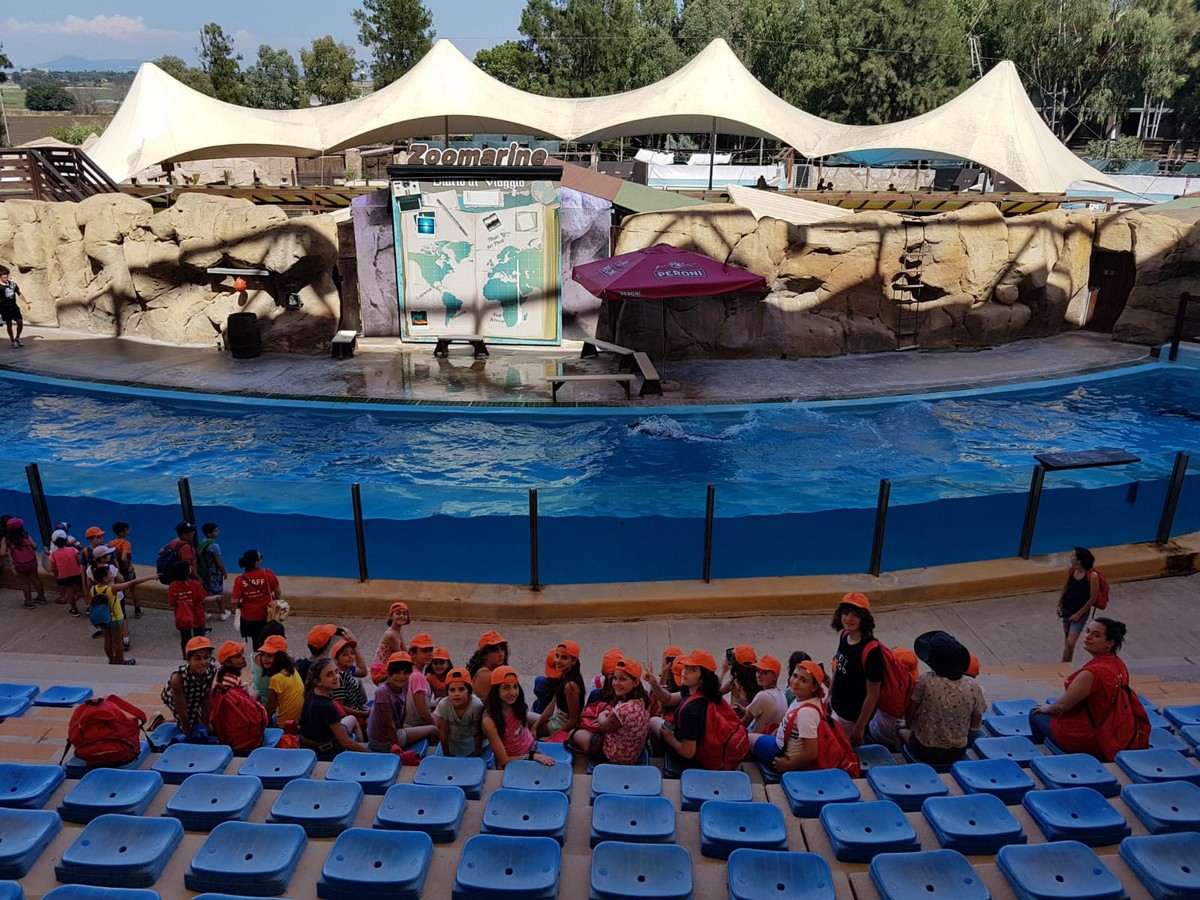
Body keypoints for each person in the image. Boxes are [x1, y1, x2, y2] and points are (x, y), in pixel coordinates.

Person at [1029, 617, 1150, 760]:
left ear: (1109, 643)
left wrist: (1047, 708)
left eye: (1096, 635)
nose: (1088, 637)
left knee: (1035, 713)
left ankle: (1042, 759)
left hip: (1088, 737)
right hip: (1111, 730)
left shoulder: (1092, 674)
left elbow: (1062, 705)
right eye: (1087, 631)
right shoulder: (1118, 664)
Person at [903, 630, 986, 765]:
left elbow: (911, 710)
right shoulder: (973, 686)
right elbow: (976, 720)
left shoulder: (926, 681)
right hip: (958, 751)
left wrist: (908, 726)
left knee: (899, 729)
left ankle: (908, 767)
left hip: (925, 749)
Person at [829, 592, 891, 745]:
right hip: (836, 706)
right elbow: (838, 666)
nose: (848, 618)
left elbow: (873, 694)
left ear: (864, 618)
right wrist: (830, 694)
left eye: (855, 615)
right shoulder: (845, 636)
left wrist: (859, 727)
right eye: (845, 613)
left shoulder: (872, 651)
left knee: (837, 749)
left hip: (850, 717)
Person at [752, 660, 831, 772]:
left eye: (803, 680)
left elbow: (811, 753)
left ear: (814, 687)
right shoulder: (804, 698)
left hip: (781, 753)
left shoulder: (806, 713)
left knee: (745, 738)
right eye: (795, 676)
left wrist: (788, 765)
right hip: (782, 743)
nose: (795, 682)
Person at [569, 657, 651, 764]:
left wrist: (602, 714)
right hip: (633, 753)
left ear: (635, 682)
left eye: (622, 679)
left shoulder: (623, 709)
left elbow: (604, 725)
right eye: (615, 678)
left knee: (573, 733)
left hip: (614, 757)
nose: (616, 683)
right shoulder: (643, 699)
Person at [653, 649, 723, 771]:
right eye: (686, 666)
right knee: (654, 721)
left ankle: (658, 756)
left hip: (695, 759)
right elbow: (668, 700)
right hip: (702, 743)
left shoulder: (690, 711)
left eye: (692, 669)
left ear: (702, 678)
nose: (685, 671)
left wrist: (670, 739)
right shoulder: (700, 692)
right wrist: (654, 684)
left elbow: (688, 753)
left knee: (652, 723)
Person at [481, 665, 555, 768]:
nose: (512, 692)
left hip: (532, 748)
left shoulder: (517, 705)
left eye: (515, 686)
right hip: (515, 761)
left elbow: (522, 726)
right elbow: (503, 760)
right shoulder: (489, 720)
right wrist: (532, 757)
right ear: (496, 690)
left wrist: (531, 733)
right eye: (506, 688)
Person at [299, 657, 366, 758]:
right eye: (329, 674)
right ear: (318, 681)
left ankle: (361, 746)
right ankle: (363, 752)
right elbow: (345, 742)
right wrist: (371, 754)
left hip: (307, 746)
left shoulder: (312, 693)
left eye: (336, 671)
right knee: (352, 724)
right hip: (326, 752)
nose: (336, 677)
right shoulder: (326, 706)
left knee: (352, 719)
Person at [90, 564, 154, 665]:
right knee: (117, 642)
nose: (112, 575)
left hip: (103, 619)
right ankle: (121, 661)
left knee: (107, 641)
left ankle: (111, 659)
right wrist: (150, 577)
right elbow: (132, 583)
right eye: (110, 574)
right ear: (105, 578)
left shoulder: (93, 589)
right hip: (115, 619)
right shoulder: (111, 589)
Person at [366, 651, 425, 752]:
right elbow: (389, 725)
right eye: (397, 673)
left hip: (392, 731)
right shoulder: (382, 691)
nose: (401, 677)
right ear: (388, 673)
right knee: (433, 729)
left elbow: (404, 712)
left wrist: (400, 730)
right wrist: (397, 750)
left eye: (405, 673)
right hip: (383, 742)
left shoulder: (405, 684)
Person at [161, 636, 217, 736]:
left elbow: (206, 695)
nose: (203, 662)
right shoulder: (178, 679)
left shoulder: (212, 670)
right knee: (190, 723)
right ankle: (159, 723)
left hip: (197, 693)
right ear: (188, 660)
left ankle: (162, 721)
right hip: (176, 698)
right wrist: (187, 732)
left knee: (202, 722)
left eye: (206, 657)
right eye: (197, 658)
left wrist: (207, 723)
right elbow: (181, 709)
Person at [231, 549, 281, 651]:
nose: (262, 559)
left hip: (250, 617)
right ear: (256, 562)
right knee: (270, 639)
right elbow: (278, 592)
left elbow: (234, 601)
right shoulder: (267, 574)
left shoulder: (240, 580)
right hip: (267, 614)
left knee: (256, 640)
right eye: (260, 557)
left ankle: (258, 656)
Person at [534, 639, 584, 737]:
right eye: (557, 656)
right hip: (556, 718)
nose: (558, 661)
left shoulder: (570, 686)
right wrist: (535, 726)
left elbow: (574, 720)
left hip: (560, 725)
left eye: (564, 658)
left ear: (573, 661)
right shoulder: (564, 675)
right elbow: (552, 704)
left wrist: (552, 737)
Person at [1058, 547, 1101, 663]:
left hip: (1080, 612)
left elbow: (1092, 599)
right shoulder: (1072, 570)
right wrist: (1059, 604)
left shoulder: (1092, 576)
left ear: (1080, 560)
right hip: (1067, 608)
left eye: (1073, 556)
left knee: (1070, 643)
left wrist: (1078, 614)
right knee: (1068, 641)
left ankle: (1063, 666)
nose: (1071, 557)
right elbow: (1066, 586)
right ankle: (1067, 664)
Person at [436, 667, 485, 757]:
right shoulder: (444, 705)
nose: (456, 694)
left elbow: (478, 734)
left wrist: (477, 757)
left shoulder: (476, 705)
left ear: (469, 691)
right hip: (454, 746)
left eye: (461, 689)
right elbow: (443, 733)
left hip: (473, 746)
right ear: (447, 692)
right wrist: (447, 756)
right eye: (452, 690)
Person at [401, 633, 441, 745]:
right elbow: (422, 713)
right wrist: (436, 732)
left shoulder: (411, 672)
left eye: (430, 650)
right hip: (414, 727)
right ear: (413, 654)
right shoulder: (417, 677)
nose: (429, 654)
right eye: (424, 651)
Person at [259, 634, 303, 726]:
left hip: (283, 725)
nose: (264, 659)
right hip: (298, 720)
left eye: (269, 656)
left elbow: (270, 707)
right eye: (262, 655)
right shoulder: (291, 669)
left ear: (279, 657)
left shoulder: (276, 678)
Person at [167, 560, 208, 658]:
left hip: (182, 617)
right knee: (200, 639)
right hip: (197, 616)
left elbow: (172, 603)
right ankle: (202, 657)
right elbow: (202, 599)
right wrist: (216, 597)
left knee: (185, 639)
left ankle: (187, 658)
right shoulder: (195, 584)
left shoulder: (172, 586)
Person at [5, 518, 47, 608]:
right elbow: (35, 546)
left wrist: (9, 552)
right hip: (31, 562)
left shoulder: (7, 539)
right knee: (36, 579)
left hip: (19, 564)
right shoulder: (25, 535)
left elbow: (1, 553)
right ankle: (42, 598)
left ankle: (28, 602)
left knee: (25, 583)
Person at [742, 655, 787, 734]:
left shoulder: (762, 696)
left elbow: (743, 724)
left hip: (757, 737)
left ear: (775, 676)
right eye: (758, 671)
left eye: (764, 673)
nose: (759, 675)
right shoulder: (781, 694)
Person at [197, 523, 231, 621]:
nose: (218, 532)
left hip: (204, 573)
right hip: (214, 574)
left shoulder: (202, 543)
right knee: (218, 593)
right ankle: (223, 613)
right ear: (209, 534)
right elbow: (219, 562)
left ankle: (203, 612)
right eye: (215, 531)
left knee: (205, 593)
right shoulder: (214, 546)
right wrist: (224, 572)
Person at [47, 530, 84, 617]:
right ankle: (88, 607)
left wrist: (57, 575)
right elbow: (80, 561)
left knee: (70, 592)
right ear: (66, 540)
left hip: (64, 576)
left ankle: (74, 610)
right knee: (82, 590)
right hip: (77, 573)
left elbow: (53, 568)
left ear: (54, 543)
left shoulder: (53, 554)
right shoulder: (73, 549)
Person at [467, 630, 509, 700]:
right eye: (495, 651)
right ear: (484, 655)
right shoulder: (488, 676)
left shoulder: (482, 670)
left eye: (502, 649)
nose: (501, 654)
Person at [721, 645, 761, 714]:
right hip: (752, 718)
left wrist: (723, 671)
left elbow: (714, 695)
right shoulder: (761, 682)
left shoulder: (734, 684)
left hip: (736, 718)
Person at [374, 602, 410, 667]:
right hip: (380, 669)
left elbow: (405, 651)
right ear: (391, 616)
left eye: (404, 614)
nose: (402, 616)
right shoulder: (390, 635)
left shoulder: (398, 632)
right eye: (398, 613)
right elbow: (401, 656)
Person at [0, 267, 28, 349]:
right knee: (9, 325)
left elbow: (19, 293)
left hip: (14, 307)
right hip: (4, 308)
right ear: (0, 277)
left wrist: (26, 301)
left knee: (20, 322)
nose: (6, 279)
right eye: (4, 277)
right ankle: (13, 341)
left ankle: (17, 337)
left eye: (7, 277)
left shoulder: (12, 284)